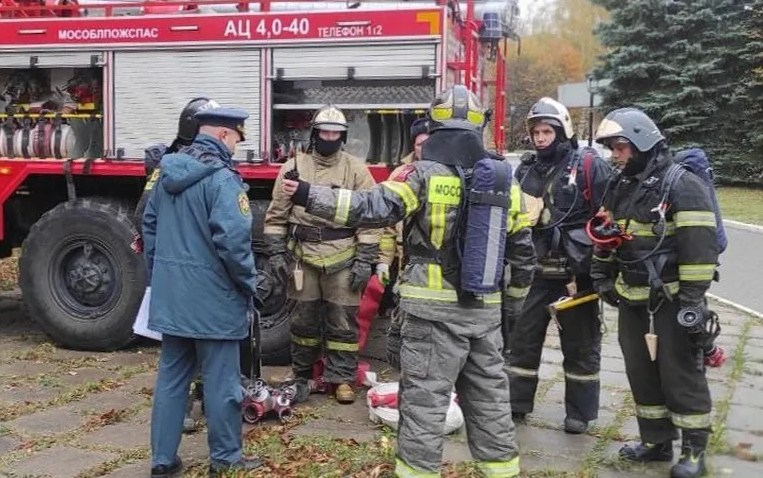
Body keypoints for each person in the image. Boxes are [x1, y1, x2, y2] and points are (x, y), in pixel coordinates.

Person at [279, 85, 536, 478]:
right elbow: (522, 257)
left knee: (423, 408)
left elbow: (370, 208)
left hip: (431, 317)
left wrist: (311, 195)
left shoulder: (420, 175)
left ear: (434, 129)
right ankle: (501, 471)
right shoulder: (505, 180)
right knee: (491, 406)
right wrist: (510, 313)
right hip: (484, 318)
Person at [589, 108, 719, 478]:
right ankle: (656, 442)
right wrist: (601, 274)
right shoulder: (622, 184)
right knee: (641, 373)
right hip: (631, 298)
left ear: (641, 142)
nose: (614, 155)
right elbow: (605, 231)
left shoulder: (682, 184)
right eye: (612, 148)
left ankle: (694, 450)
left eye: (620, 147)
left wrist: (692, 302)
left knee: (680, 376)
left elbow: (700, 249)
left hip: (673, 301)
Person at [142, 104, 262, 477]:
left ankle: (163, 462)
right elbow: (234, 242)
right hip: (214, 301)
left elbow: (149, 225)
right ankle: (225, 460)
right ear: (225, 135)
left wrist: (159, 278)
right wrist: (249, 284)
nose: (237, 148)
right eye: (237, 139)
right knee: (222, 383)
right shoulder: (223, 180)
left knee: (171, 379)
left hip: (172, 298)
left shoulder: (166, 172)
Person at [505, 97, 614, 434]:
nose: (540, 138)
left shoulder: (589, 166)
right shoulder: (524, 170)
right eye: (535, 132)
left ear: (562, 130)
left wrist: (599, 266)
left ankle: (579, 414)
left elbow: (608, 217)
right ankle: (516, 405)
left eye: (546, 131)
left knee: (581, 346)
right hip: (535, 270)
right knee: (522, 341)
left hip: (575, 275)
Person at [263, 105, 382, 404]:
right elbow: (276, 217)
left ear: (343, 137)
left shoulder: (356, 169)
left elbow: (370, 217)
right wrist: (277, 254)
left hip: (343, 255)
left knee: (343, 321)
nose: (329, 137)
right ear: (315, 134)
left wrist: (365, 258)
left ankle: (341, 379)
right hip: (303, 257)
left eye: (336, 133)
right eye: (324, 132)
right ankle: (301, 376)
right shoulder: (292, 168)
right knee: (303, 322)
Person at [134, 97, 220, 435]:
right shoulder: (174, 166)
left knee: (187, 350)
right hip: (191, 274)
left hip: (180, 274)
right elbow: (146, 218)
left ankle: (201, 406)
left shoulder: (183, 164)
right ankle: (192, 409)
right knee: (188, 349)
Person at [379, 115, 432, 369]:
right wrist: (383, 263)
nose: (424, 148)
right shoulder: (400, 174)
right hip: (404, 260)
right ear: (414, 145)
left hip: (431, 259)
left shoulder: (444, 173)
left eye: (429, 142)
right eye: (420, 143)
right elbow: (389, 225)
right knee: (402, 314)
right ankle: (403, 367)